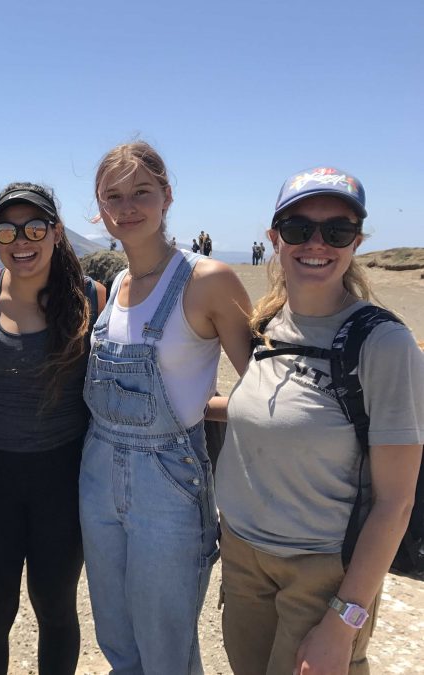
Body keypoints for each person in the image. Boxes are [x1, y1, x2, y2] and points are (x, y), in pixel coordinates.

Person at [216, 167, 424, 675]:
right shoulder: (266, 324)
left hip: (322, 573)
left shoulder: (384, 345)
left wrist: (344, 621)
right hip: (243, 557)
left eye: (337, 231)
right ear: (274, 239)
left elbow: (397, 504)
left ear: (356, 242)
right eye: (298, 228)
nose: (317, 243)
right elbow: (276, 418)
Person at [79, 141, 252, 674]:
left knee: (166, 647)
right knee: (117, 638)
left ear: (167, 196)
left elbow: (264, 390)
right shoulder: (112, 291)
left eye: (141, 193)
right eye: (114, 197)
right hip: (97, 475)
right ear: (100, 208)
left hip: (170, 483)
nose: (127, 207)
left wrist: (201, 409)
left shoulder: (208, 281)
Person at [0, 182, 105, 674]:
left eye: (35, 227)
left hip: (63, 476)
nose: (22, 239)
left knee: (55, 607)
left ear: (56, 233)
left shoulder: (89, 299)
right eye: (8, 229)